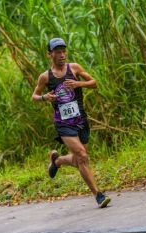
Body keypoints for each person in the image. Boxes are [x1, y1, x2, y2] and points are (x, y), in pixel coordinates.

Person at [32, 38, 111, 208]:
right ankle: (98, 195)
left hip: (80, 119)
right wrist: (45, 97)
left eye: (63, 51)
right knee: (82, 156)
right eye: (57, 52)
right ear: (50, 54)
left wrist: (78, 84)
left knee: (78, 160)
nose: (62, 55)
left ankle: (57, 161)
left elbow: (94, 83)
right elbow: (34, 96)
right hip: (63, 123)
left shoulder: (74, 68)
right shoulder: (45, 77)